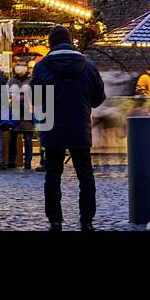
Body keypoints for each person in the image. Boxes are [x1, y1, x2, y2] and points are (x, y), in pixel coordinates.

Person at [29, 26, 106, 231]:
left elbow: (35, 98)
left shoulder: (42, 66)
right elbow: (98, 98)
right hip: (80, 127)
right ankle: (87, 220)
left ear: (51, 43)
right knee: (85, 175)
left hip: (52, 127)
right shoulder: (89, 66)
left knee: (53, 174)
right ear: (70, 41)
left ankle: (55, 221)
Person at [6, 64, 37, 169]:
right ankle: (11, 161)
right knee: (13, 138)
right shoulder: (12, 80)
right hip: (15, 111)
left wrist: (19, 96)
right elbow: (7, 93)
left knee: (28, 138)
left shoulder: (30, 80)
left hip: (27, 112)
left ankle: (28, 162)